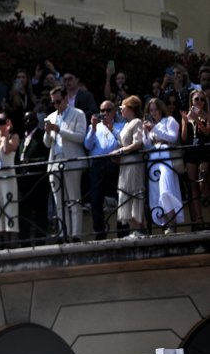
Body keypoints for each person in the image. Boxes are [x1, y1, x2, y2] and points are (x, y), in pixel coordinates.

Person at [44, 86, 87, 241]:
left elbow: (81, 137)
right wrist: (48, 132)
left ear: (66, 99)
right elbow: (47, 143)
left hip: (71, 160)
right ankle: (64, 234)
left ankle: (76, 235)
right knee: (59, 203)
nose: (56, 105)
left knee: (74, 200)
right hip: (55, 161)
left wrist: (60, 130)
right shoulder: (51, 116)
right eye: (53, 103)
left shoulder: (78, 114)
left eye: (58, 101)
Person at [144, 97, 184, 232]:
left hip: (167, 158)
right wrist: (145, 132)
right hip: (153, 160)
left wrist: (155, 129)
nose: (154, 112)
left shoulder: (170, 120)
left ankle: (172, 225)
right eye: (151, 110)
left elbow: (173, 137)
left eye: (156, 109)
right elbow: (147, 145)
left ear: (161, 109)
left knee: (166, 189)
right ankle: (165, 224)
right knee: (156, 192)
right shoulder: (152, 124)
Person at [85, 101, 120, 240]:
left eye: (108, 110)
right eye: (102, 110)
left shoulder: (120, 126)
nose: (105, 113)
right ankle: (99, 232)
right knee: (96, 199)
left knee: (120, 197)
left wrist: (112, 128)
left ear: (114, 111)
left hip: (114, 162)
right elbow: (88, 145)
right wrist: (93, 128)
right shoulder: (93, 127)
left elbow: (122, 143)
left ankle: (123, 230)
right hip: (97, 163)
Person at [113, 96, 147, 238]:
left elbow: (138, 143)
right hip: (125, 164)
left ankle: (140, 230)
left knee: (135, 194)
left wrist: (120, 151)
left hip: (133, 163)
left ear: (130, 108)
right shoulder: (126, 124)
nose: (120, 109)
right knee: (126, 195)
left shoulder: (136, 122)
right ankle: (135, 230)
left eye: (123, 106)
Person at [17, 108, 51, 245]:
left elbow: (46, 157)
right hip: (24, 182)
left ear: (36, 121)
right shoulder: (23, 138)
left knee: (40, 212)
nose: (27, 122)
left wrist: (30, 162)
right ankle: (24, 242)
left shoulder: (41, 136)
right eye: (25, 120)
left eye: (30, 119)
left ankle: (40, 241)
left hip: (38, 181)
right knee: (24, 212)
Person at [180, 89, 210, 229]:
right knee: (193, 188)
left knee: (202, 180)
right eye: (196, 99)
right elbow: (184, 138)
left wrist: (197, 119)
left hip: (204, 151)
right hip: (191, 152)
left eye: (202, 99)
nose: (199, 101)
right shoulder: (187, 115)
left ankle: (207, 213)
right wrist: (185, 121)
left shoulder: (207, 115)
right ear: (191, 101)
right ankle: (199, 219)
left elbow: (207, 132)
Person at [0, 112, 19, 245]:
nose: (0, 125)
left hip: (8, 177)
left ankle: (12, 241)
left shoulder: (14, 137)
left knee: (10, 207)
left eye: (3, 121)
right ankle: (3, 241)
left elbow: (6, 149)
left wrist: (6, 133)